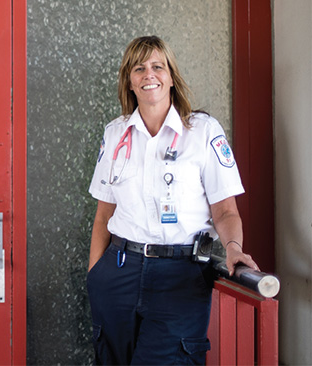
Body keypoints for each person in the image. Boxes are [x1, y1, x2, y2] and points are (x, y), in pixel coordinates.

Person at [86, 35, 259, 365]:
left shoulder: (203, 132)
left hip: (180, 276)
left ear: (171, 76)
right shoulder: (115, 133)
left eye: (157, 66)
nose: (148, 74)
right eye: (139, 68)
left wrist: (234, 248)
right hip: (119, 272)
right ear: (130, 81)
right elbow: (103, 216)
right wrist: (95, 277)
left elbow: (225, 211)